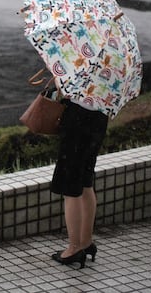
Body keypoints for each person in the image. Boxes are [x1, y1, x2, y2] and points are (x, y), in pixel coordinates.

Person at [49, 98, 109, 269]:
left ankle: (74, 248)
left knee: (71, 188)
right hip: (99, 118)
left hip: (77, 119)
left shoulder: (80, 72)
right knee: (85, 183)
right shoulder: (112, 72)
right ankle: (86, 242)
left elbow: (66, 84)